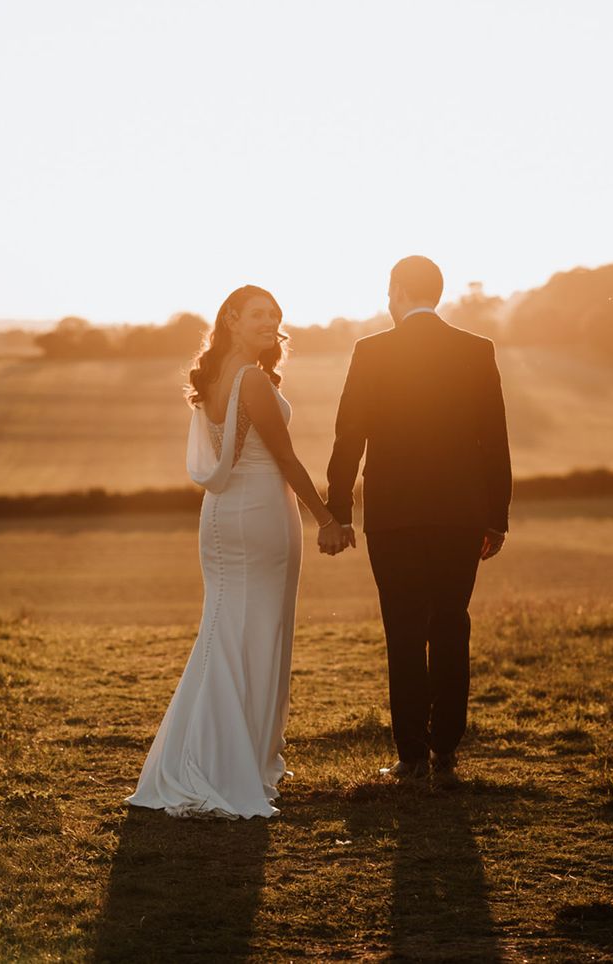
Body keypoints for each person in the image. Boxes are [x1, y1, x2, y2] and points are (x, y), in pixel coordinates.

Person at [125, 285, 344, 819]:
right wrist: (328, 517)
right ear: (231, 319)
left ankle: (209, 757)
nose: (271, 321)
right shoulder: (250, 380)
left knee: (226, 631)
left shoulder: (219, 377)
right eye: (258, 314)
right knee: (256, 633)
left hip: (222, 514)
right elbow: (287, 458)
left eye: (275, 314)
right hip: (262, 512)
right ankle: (229, 765)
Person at [323, 256, 512, 783]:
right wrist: (496, 518)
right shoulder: (477, 350)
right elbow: (494, 440)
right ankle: (446, 750)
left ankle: (410, 755)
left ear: (399, 290)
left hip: (394, 516)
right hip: (461, 515)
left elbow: (349, 437)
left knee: (403, 630)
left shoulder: (372, 351)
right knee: (452, 623)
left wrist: (339, 509)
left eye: (389, 290)